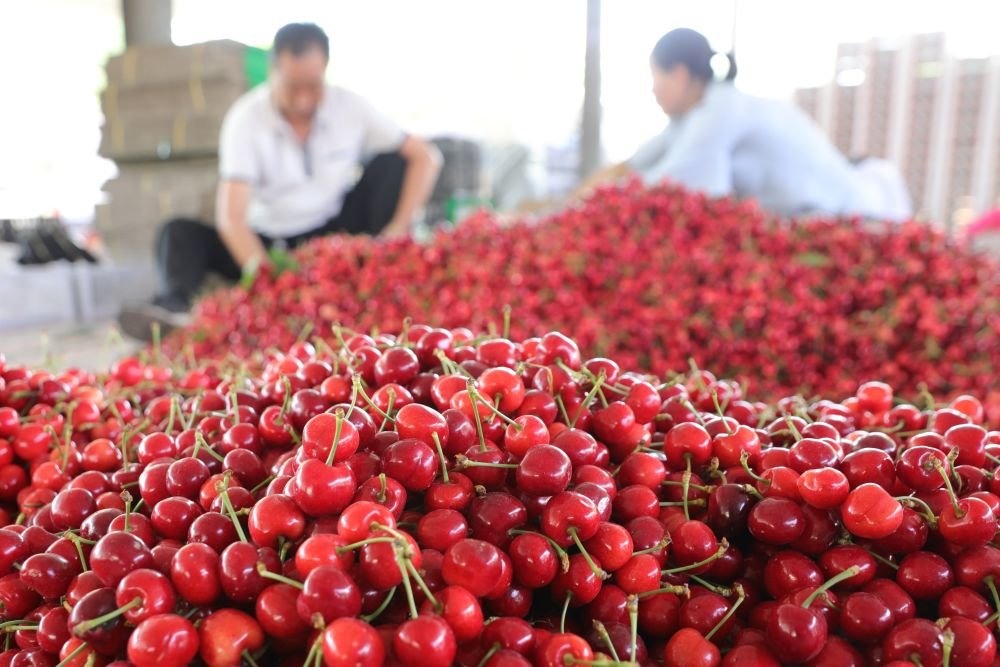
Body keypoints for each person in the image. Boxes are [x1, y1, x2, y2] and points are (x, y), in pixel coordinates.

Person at [118, 22, 442, 340]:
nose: (303, 100)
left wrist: (398, 228)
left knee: (395, 162)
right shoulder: (246, 120)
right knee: (177, 234)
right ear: (273, 71)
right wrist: (265, 277)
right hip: (268, 243)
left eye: (313, 86)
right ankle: (174, 311)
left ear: (325, 70)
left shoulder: (351, 107)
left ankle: (377, 275)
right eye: (292, 87)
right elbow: (231, 218)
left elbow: (427, 157)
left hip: (334, 234)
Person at [582, 28, 912, 222]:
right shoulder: (692, 118)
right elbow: (634, 165)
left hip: (859, 213)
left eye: (656, 76)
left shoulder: (718, 114)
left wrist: (586, 208)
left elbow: (671, 189)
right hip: (821, 214)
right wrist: (582, 194)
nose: (653, 88)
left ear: (680, 75)